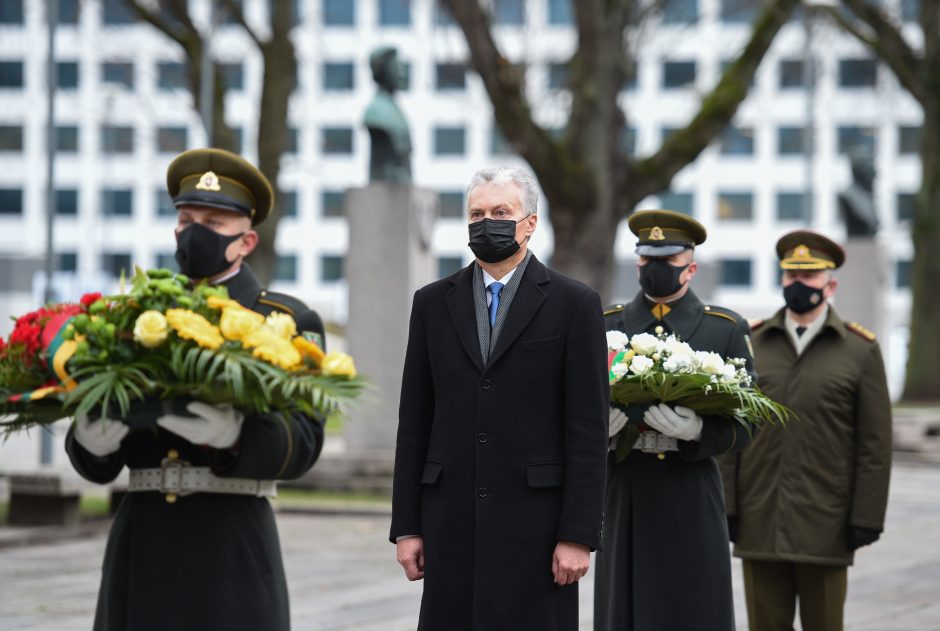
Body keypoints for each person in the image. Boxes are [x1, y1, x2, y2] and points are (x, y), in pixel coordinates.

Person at [65, 148, 326, 631]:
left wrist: (238, 437)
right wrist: (89, 442)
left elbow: (305, 438)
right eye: (186, 219)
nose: (195, 231)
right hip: (142, 535)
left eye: (213, 220)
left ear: (247, 240)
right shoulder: (131, 317)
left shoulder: (283, 320)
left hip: (231, 539)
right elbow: (94, 445)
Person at [390, 167, 609, 630]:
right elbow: (414, 421)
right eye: (476, 214)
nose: (486, 222)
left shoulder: (574, 304)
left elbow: (588, 430)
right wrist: (407, 526)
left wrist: (578, 535)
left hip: (537, 526)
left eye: (500, 212)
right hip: (451, 523)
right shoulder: (431, 303)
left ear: (529, 222)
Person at [719, 230, 892, 631]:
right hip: (760, 517)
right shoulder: (753, 342)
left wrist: (866, 515)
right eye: (791, 275)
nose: (799, 284)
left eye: (809, 276)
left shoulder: (859, 350)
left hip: (826, 523)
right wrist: (727, 505)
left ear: (829, 285)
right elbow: (733, 430)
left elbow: (874, 444)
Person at [595, 209, 755, 631]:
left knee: (693, 606)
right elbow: (569, 406)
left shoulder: (724, 329)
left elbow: (749, 420)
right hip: (625, 487)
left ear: (691, 267)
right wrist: (597, 431)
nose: (656, 270)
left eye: (668, 261)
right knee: (623, 608)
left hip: (690, 488)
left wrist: (700, 431)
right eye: (648, 260)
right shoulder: (607, 325)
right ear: (637, 263)